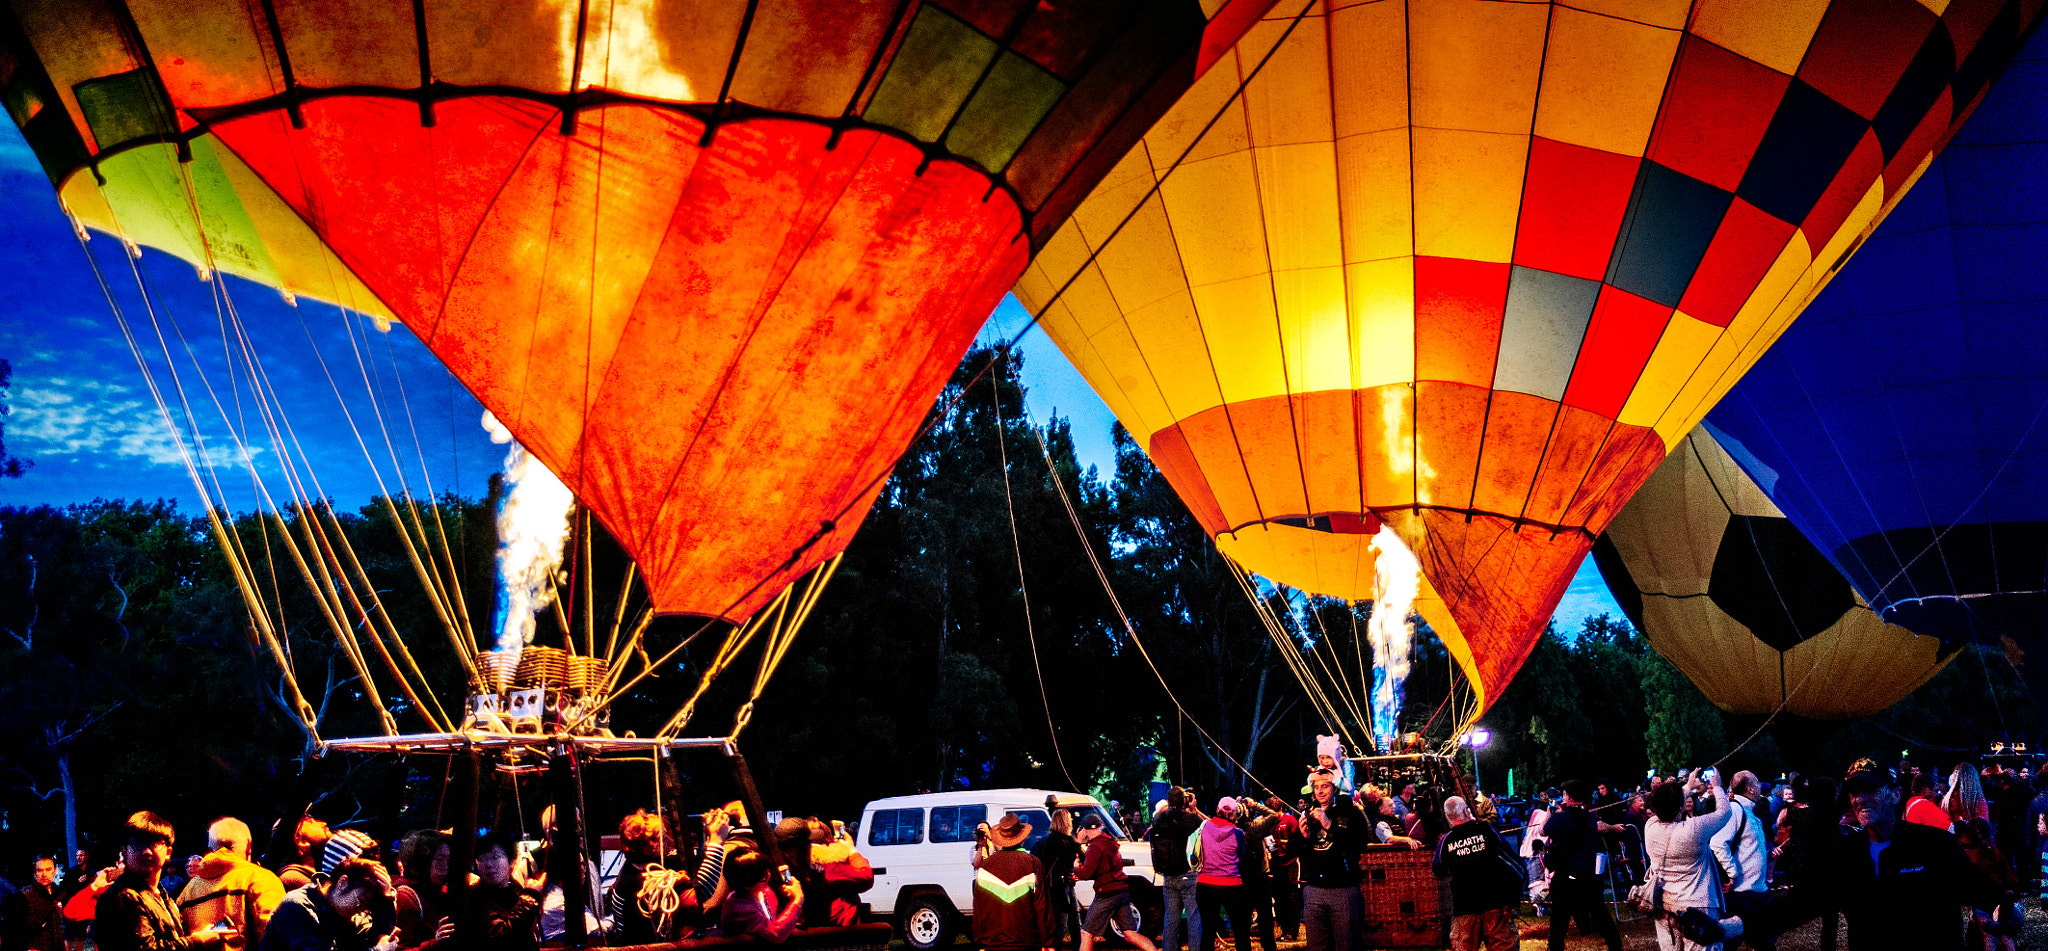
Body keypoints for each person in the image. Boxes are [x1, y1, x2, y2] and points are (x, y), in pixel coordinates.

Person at [1685, 761, 2013, 951]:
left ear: (1896, 794)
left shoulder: (1934, 845)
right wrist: (1723, 928)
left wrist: (2007, 911)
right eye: (1854, 792)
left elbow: (1982, 890)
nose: (1858, 799)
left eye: (1869, 789)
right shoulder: (1845, 856)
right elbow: (1793, 906)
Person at [94, 811, 243, 951]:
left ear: (168, 853)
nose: (146, 851)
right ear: (124, 851)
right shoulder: (122, 897)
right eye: (138, 844)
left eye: (154, 844)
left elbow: (173, 938)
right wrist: (198, 941)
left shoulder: (162, 896)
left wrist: (203, 935)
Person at [1646, 770, 1733, 951]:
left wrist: (1688, 787)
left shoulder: (1650, 827)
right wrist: (1717, 786)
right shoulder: (1693, 829)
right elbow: (1724, 812)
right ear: (1681, 807)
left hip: (1664, 906)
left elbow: (1664, 805)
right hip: (1697, 907)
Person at [607, 808, 720, 943]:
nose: (670, 840)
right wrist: (717, 841)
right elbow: (702, 891)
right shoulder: (642, 882)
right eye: (664, 838)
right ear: (649, 847)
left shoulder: (632, 866)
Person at [179, 818, 286, 950]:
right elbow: (277, 942)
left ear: (211, 849)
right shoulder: (261, 879)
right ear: (248, 845)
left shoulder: (185, 893)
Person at [1432, 795, 1522, 951]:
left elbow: (1437, 869)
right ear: (1467, 812)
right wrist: (1513, 901)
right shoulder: (1487, 831)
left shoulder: (1446, 841)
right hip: (1496, 906)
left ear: (1448, 816)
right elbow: (1516, 867)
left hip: (1463, 909)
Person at [1543, 780, 1622, 951]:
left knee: (1559, 919)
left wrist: (1550, 811)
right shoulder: (1588, 816)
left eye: (1564, 794)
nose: (1562, 797)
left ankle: (1555, 947)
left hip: (1565, 874)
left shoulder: (1559, 818)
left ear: (1569, 797)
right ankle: (1615, 945)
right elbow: (1598, 829)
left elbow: (1543, 830)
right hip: (1587, 872)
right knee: (1600, 913)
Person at [1946, 765, 2018, 951]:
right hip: (1979, 856)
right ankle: (1991, 936)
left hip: (1956, 855)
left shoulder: (1947, 802)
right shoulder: (1977, 801)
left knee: (1970, 906)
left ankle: (1975, 936)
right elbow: (1984, 831)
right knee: (1984, 901)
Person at [1293, 768, 1364, 951]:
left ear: (1334, 788)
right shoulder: (1307, 814)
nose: (1320, 791)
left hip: (1343, 889)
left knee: (1346, 944)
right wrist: (1302, 836)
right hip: (1314, 889)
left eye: (1325, 786)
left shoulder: (1351, 813)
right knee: (1316, 946)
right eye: (1316, 786)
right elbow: (1292, 850)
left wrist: (1329, 825)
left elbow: (1356, 845)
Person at [259, 857, 397, 951]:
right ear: (342, 883)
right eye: (361, 900)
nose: (360, 910)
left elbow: (371, 937)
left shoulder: (344, 911)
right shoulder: (297, 906)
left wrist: (387, 900)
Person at [971, 814, 1055, 951]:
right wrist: (1048, 942)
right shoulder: (1033, 863)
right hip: (1027, 942)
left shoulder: (985, 867)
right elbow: (1042, 906)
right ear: (1022, 839)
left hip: (992, 943)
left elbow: (979, 909)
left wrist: (980, 942)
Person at [1075, 814, 1157, 951]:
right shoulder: (1110, 843)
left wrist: (1076, 869)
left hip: (1106, 894)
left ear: (1085, 830)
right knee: (1130, 934)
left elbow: (1086, 873)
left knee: (1086, 933)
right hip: (1122, 892)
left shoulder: (1094, 847)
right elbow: (1101, 867)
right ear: (1101, 827)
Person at [1708, 772, 1770, 951]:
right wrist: (1732, 873)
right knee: (1731, 942)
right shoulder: (1735, 810)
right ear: (1750, 788)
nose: (1759, 787)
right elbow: (1718, 843)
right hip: (1743, 894)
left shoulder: (1750, 813)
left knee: (1763, 940)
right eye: (1757, 783)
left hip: (1757, 892)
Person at [1145, 788, 1203, 951]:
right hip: (1188, 874)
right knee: (1193, 919)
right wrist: (1193, 809)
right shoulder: (1189, 819)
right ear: (1184, 801)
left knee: (1170, 920)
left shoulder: (1158, 819)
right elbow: (1204, 828)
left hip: (1168, 874)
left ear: (1169, 801)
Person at [1194, 798, 1251, 951]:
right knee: (1241, 929)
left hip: (1205, 884)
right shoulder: (1237, 833)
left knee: (1208, 930)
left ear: (1218, 810)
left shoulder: (1204, 826)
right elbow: (1242, 857)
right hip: (1231, 885)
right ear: (1234, 814)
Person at [466, 835, 539, 951]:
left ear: (512, 862)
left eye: (495, 857)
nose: (489, 864)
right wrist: (529, 897)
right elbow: (502, 938)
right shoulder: (475, 898)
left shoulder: (515, 890)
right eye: (482, 859)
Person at [718, 850, 803, 944]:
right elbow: (775, 934)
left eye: (767, 873)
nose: (768, 878)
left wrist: (787, 900)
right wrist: (797, 900)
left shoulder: (763, 892)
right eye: (763, 877)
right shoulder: (739, 909)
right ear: (747, 883)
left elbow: (775, 920)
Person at [806, 818, 874, 929]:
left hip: (812, 929)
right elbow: (866, 877)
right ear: (828, 838)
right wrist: (851, 850)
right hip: (840, 929)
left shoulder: (799, 864)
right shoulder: (833, 864)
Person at [390, 831, 451, 951]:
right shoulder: (406, 897)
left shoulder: (443, 891)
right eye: (439, 859)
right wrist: (435, 943)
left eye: (449, 859)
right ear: (420, 860)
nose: (445, 866)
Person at [1031, 810, 1082, 946]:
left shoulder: (1047, 841)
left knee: (1074, 924)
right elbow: (1067, 857)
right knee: (1063, 925)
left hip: (1061, 886)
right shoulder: (1057, 841)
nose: (1072, 821)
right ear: (1065, 821)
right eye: (1070, 819)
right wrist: (1079, 841)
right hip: (1059, 888)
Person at [4, 856, 67, 950]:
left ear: (55, 870)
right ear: (34, 873)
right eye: (40, 870)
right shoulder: (23, 896)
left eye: (48, 869)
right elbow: (10, 931)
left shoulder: (61, 893)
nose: (44, 874)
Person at [1262, 797, 1300, 943]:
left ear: (1279, 809)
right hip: (1276, 864)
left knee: (1292, 898)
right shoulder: (1269, 823)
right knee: (1279, 899)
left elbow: (1297, 841)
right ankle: (1284, 930)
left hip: (1290, 863)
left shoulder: (1290, 820)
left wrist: (1284, 843)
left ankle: (1292, 931)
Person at [276, 819, 331, 893]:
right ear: (302, 841)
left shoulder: (318, 877)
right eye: (310, 821)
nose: (323, 823)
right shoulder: (292, 880)